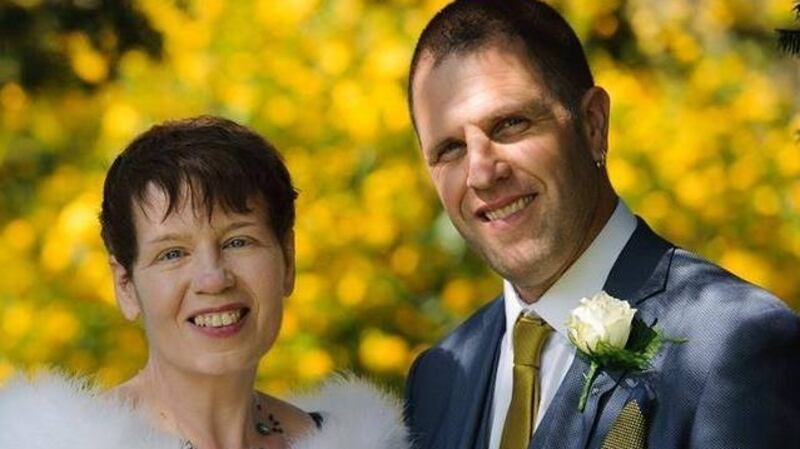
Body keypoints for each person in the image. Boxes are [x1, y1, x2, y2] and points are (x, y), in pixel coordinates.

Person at [403, 1, 800, 449]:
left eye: (510, 124)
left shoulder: (733, 345)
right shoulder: (437, 378)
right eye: (450, 149)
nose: (481, 173)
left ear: (593, 124)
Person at [0, 116, 409, 449]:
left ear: (287, 260)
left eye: (238, 241)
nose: (213, 278)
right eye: (172, 253)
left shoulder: (360, 441)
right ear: (126, 286)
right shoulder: (53, 442)